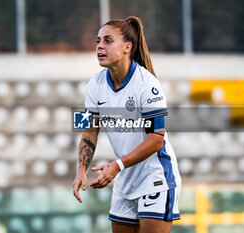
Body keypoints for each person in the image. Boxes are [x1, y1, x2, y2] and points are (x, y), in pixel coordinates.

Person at [72, 16, 181, 233]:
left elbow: (156, 140)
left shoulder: (147, 85)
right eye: (98, 41)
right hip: (124, 180)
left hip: (155, 179)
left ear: (127, 48)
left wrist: (116, 166)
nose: (100, 46)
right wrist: (81, 169)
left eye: (108, 41)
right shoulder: (94, 84)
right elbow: (89, 129)